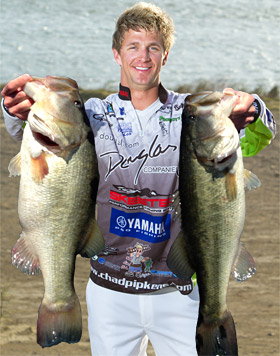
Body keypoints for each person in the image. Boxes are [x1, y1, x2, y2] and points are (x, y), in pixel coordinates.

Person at [1, 2, 276, 356]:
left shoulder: (192, 115)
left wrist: (252, 109)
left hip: (178, 292)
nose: (142, 57)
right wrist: (12, 109)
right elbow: (35, 135)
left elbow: (252, 140)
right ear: (117, 54)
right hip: (109, 292)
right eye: (133, 46)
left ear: (166, 55)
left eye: (153, 48)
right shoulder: (92, 116)